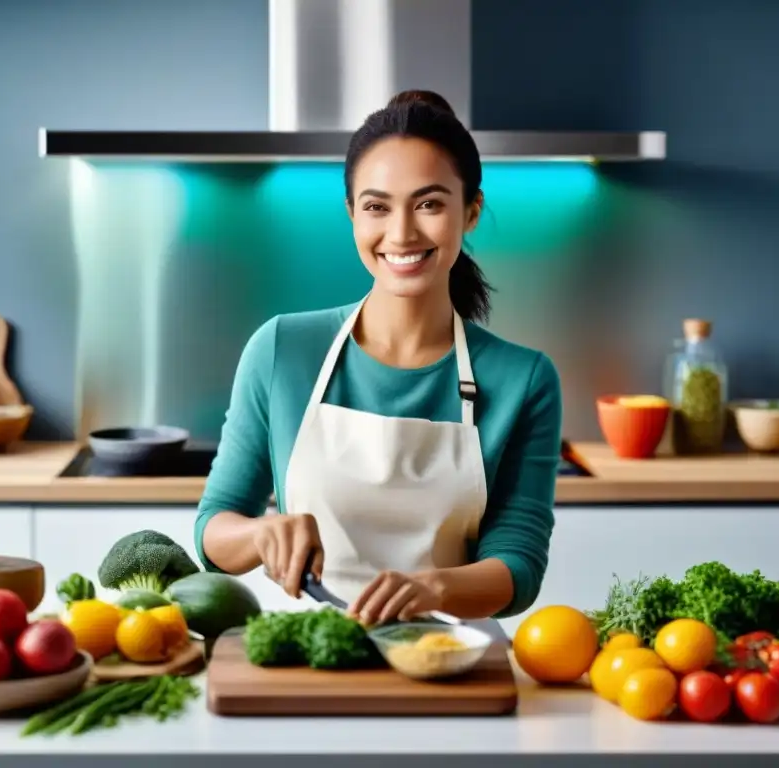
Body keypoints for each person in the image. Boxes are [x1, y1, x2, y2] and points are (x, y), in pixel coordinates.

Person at [194, 89, 562, 629]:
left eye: (429, 204)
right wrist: (259, 534)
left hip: (451, 657)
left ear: (471, 212)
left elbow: (519, 563)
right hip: (304, 652)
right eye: (376, 207)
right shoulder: (281, 350)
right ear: (351, 215)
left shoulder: (523, 379)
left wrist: (432, 589)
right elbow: (212, 529)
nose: (402, 233)